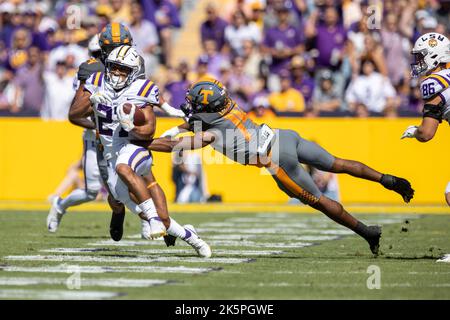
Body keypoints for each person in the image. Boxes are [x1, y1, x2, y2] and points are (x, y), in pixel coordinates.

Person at [154, 78, 415, 255]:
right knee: (338, 163)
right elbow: (194, 120)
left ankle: (367, 232)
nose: (190, 106)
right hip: (285, 137)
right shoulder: (229, 106)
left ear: (206, 108)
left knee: (320, 201)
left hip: (276, 160)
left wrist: (144, 143)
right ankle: (389, 180)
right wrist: (176, 124)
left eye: (194, 102)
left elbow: (177, 145)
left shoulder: (211, 132)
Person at [69, 45, 211, 257]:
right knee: (133, 204)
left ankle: (153, 219)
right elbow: (73, 113)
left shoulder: (141, 89)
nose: (117, 73)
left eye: (123, 69)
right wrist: (90, 99)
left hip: (135, 147)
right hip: (111, 152)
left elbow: (148, 131)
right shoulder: (97, 82)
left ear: (133, 72)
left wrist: (131, 125)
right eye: (114, 67)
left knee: (125, 168)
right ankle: (189, 235)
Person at [400, 32, 450, 208]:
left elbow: (426, 133)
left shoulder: (433, 82)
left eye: (421, 56)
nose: (418, 61)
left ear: (434, 56)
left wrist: (415, 131)